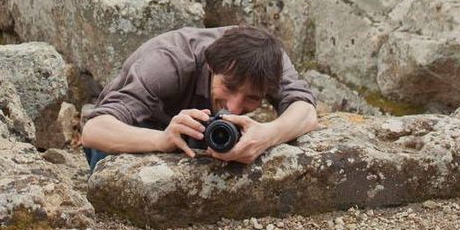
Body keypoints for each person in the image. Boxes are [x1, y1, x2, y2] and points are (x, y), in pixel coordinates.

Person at [79, 25, 317, 169]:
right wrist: (163, 140)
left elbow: (305, 111)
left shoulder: (268, 61)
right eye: (229, 87)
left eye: (252, 98)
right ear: (212, 66)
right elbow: (94, 130)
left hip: (202, 131)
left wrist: (267, 135)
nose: (235, 108)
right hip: (138, 130)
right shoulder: (167, 62)